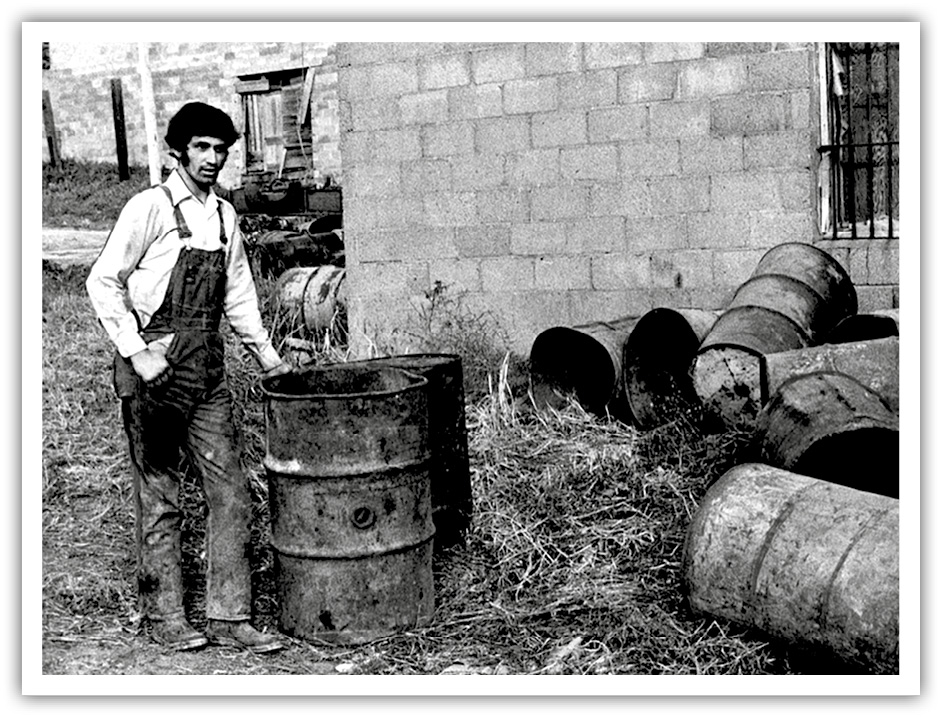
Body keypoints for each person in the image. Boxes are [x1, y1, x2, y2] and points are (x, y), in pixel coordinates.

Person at [86, 102, 291, 653]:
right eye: (201, 147)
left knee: (231, 491)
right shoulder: (149, 208)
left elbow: (241, 299)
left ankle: (230, 616)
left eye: (220, 149)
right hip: (153, 374)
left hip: (206, 374)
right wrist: (135, 351)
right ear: (179, 151)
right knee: (161, 494)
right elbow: (102, 281)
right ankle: (165, 616)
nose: (212, 158)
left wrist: (269, 359)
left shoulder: (225, 218)